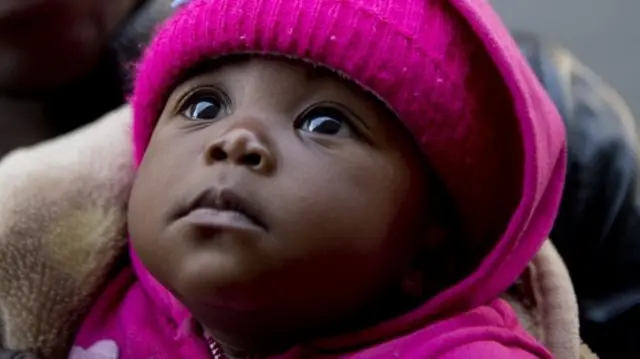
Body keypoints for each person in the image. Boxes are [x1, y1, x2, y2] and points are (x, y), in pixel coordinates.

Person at [65, 0, 567, 357]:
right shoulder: (77, 285)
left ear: (427, 241)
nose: (237, 140)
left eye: (323, 123)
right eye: (203, 106)